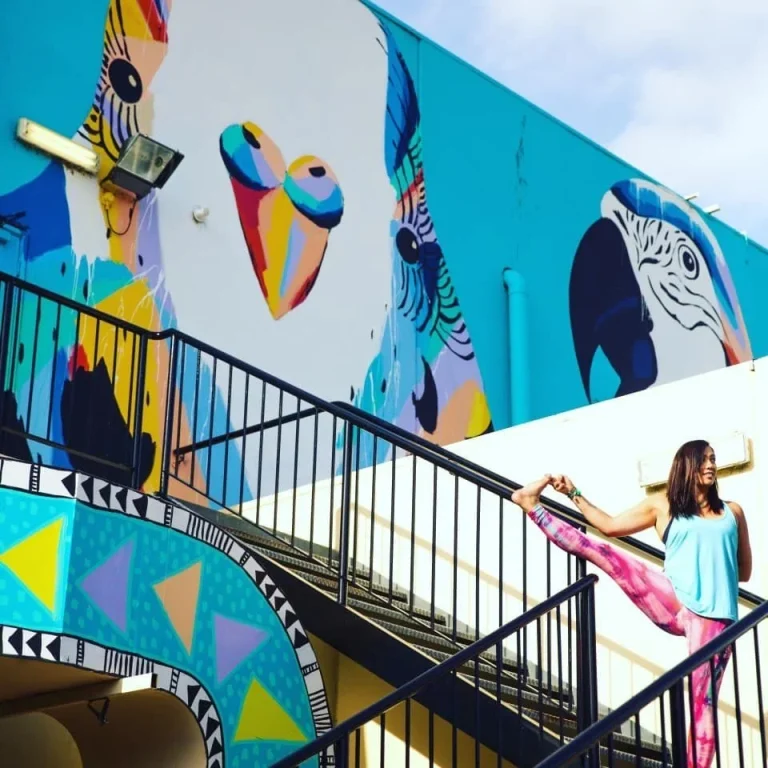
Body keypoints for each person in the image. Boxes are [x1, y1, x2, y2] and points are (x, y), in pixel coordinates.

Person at [511, 439, 752, 768]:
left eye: (713, 459)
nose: (710, 465)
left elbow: (744, 572)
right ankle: (532, 506)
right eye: (703, 460)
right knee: (606, 553)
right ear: (687, 466)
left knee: (703, 705)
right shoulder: (663, 505)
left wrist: (715, 565)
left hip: (716, 621)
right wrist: (573, 493)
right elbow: (609, 526)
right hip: (673, 597)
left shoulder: (733, 512)